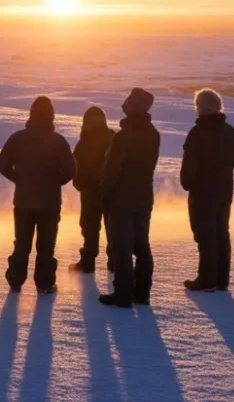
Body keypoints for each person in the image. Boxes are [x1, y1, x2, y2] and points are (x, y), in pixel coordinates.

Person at [0, 96, 77, 295]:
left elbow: (2, 164)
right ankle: (44, 284)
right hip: (50, 203)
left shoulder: (18, 138)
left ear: (31, 114)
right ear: (52, 116)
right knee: (46, 243)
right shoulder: (58, 141)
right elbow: (71, 169)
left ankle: (15, 280)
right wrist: (55, 181)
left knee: (22, 242)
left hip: (24, 201)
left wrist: (19, 178)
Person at [98, 88, 161, 308]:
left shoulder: (123, 137)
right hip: (144, 196)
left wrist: (105, 194)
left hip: (122, 197)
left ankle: (123, 293)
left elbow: (111, 170)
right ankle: (142, 292)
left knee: (121, 246)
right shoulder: (153, 134)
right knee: (142, 244)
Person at [180, 88, 234, 292]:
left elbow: (190, 164)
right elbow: (233, 160)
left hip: (202, 192)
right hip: (224, 191)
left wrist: (187, 183)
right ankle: (221, 279)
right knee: (222, 232)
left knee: (205, 235)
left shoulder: (197, 133)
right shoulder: (230, 131)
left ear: (200, 107)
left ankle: (206, 279)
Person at [69, 106, 116, 274]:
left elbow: (75, 166)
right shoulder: (113, 138)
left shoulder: (85, 141)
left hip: (92, 192)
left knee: (89, 227)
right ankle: (114, 261)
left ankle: (88, 262)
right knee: (112, 227)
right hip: (111, 191)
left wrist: (80, 184)